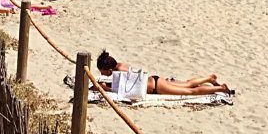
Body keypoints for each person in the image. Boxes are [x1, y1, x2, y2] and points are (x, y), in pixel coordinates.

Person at [96, 51, 233, 96]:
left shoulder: (118, 72)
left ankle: (221, 88)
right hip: (155, 80)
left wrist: (104, 87)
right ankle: (209, 78)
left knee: (191, 91)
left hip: (157, 87)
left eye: (103, 72)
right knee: (188, 84)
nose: (104, 75)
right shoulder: (120, 65)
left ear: (108, 69)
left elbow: (123, 90)